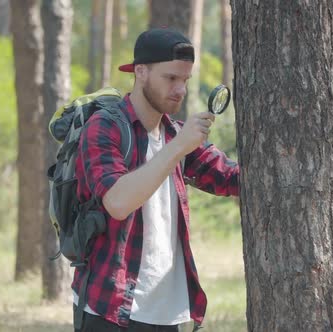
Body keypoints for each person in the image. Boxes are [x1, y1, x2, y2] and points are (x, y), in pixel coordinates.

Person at [72, 27, 239, 332]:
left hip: (166, 311)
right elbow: (118, 202)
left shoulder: (175, 133)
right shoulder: (104, 128)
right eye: (171, 78)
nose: (180, 89)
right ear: (141, 72)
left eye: (185, 80)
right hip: (110, 307)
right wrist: (178, 147)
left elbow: (231, 178)